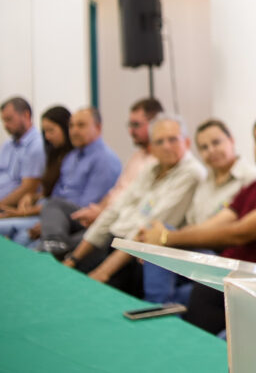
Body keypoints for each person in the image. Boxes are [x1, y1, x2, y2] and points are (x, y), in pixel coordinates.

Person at [141, 114, 256, 334]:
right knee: (164, 251)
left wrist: (165, 238)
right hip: (221, 268)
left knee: (185, 285)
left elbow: (238, 233)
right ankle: (157, 311)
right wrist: (164, 236)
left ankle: (157, 316)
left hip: (243, 278)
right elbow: (213, 224)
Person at [61, 113, 204, 296]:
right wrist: (74, 258)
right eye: (159, 142)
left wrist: (102, 273)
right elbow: (114, 210)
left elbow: (146, 230)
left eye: (172, 139)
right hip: (115, 242)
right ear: (152, 148)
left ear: (187, 142)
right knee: (67, 277)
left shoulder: (191, 174)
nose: (166, 146)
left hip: (137, 256)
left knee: (84, 293)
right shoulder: (151, 168)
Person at [141, 118, 256, 304]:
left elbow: (230, 231)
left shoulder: (251, 180)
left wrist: (165, 237)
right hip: (196, 249)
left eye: (216, 143)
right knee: (156, 234)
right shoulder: (206, 180)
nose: (211, 150)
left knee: (161, 236)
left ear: (231, 140)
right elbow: (191, 222)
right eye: (204, 147)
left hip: (225, 254)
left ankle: (156, 305)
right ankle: (157, 304)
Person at [38, 107, 122, 257]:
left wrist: (52, 220)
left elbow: (87, 207)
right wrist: (51, 220)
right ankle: (54, 243)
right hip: (61, 219)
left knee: (51, 208)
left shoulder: (105, 160)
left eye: (81, 125)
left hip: (86, 219)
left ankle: (54, 242)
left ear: (98, 127)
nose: (74, 131)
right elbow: (57, 194)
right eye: (71, 126)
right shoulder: (71, 157)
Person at [70, 97, 162, 228]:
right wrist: (98, 209)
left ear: (155, 125)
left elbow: (142, 206)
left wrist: (102, 214)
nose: (131, 131)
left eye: (136, 125)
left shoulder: (159, 163)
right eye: (130, 125)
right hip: (106, 219)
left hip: (124, 224)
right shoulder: (137, 157)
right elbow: (116, 191)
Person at [0, 105, 72, 245]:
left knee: (22, 237)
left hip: (46, 213)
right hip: (38, 208)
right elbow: (47, 193)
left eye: (51, 130)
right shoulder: (54, 155)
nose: (47, 136)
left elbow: (63, 201)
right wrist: (32, 197)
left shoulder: (39, 148)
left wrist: (18, 212)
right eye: (45, 131)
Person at [0, 96, 45, 210]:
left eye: (9, 119)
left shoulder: (37, 145)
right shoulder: (7, 145)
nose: (5, 125)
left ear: (26, 115)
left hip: (13, 208)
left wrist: (1, 206)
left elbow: (28, 188)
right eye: (4, 120)